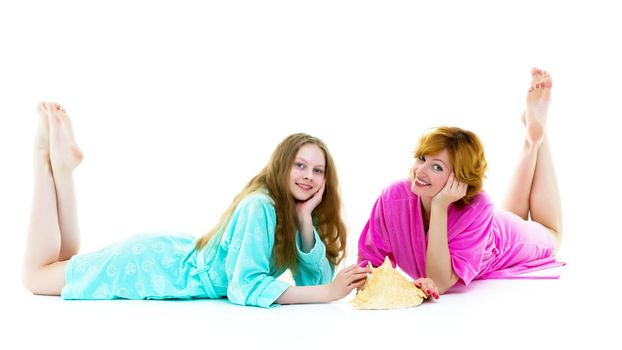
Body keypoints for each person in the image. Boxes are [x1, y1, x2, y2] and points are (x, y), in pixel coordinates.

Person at [22, 104, 370, 308]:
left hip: (169, 255)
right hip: (152, 267)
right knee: (36, 276)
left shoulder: (289, 213)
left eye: (318, 170)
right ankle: (43, 159)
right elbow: (244, 287)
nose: (309, 176)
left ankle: (63, 169)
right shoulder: (260, 207)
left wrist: (305, 220)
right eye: (300, 165)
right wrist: (326, 293)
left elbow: (316, 277)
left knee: (65, 258)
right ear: (282, 166)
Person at [357, 68, 565, 297]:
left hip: (505, 240)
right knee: (507, 213)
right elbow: (370, 265)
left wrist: (439, 206)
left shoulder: (478, 205)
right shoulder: (393, 197)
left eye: (437, 167)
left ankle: (538, 139)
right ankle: (531, 140)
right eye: (422, 158)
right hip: (486, 227)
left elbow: (439, 282)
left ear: (458, 178)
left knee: (552, 234)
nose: (420, 171)